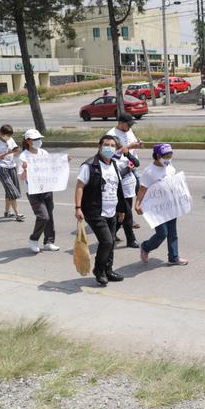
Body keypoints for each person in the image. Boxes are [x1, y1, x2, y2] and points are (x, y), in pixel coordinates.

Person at [74, 135, 128, 285]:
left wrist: (121, 209)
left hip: (112, 210)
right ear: (99, 146)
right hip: (95, 210)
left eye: (112, 145)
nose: (109, 148)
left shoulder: (114, 165)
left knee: (110, 244)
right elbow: (80, 187)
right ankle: (99, 270)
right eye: (106, 144)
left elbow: (117, 189)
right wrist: (78, 208)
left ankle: (108, 270)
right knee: (107, 241)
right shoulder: (90, 165)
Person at [136, 143, 188, 266]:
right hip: (157, 208)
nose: (168, 159)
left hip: (170, 205)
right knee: (162, 233)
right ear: (158, 156)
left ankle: (174, 257)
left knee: (173, 233)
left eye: (170, 156)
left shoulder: (170, 166)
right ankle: (146, 247)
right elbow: (142, 189)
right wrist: (137, 204)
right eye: (166, 156)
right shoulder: (149, 172)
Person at [19, 129, 63, 254]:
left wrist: (63, 162)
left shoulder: (43, 152)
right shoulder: (23, 157)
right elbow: (21, 178)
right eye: (35, 139)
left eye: (39, 139)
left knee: (50, 216)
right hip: (34, 191)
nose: (38, 141)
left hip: (47, 188)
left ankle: (49, 242)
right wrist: (25, 170)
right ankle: (33, 239)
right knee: (43, 217)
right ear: (28, 141)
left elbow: (51, 167)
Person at [107, 113, 143, 229]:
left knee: (133, 193)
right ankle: (124, 220)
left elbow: (131, 143)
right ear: (121, 123)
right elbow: (108, 154)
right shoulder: (111, 135)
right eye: (128, 125)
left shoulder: (128, 131)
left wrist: (138, 144)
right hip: (120, 170)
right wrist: (130, 147)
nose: (130, 127)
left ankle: (127, 218)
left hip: (132, 166)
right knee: (123, 197)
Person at [0, 124, 25, 222]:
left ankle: (7, 212)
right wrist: (7, 153)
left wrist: (16, 150)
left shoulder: (10, 140)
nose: (8, 137)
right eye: (6, 135)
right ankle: (18, 214)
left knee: (12, 190)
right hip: (1, 167)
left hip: (12, 166)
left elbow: (15, 151)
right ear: (1, 133)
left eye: (9, 135)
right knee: (12, 190)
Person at [110, 136, 139, 248]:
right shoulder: (111, 159)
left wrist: (128, 155)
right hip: (120, 190)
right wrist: (128, 169)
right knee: (128, 215)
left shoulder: (124, 155)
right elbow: (116, 176)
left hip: (129, 189)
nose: (119, 149)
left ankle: (111, 235)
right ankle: (131, 240)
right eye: (116, 147)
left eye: (119, 147)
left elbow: (136, 163)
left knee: (121, 215)